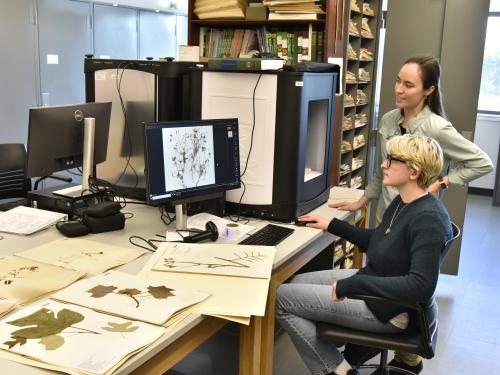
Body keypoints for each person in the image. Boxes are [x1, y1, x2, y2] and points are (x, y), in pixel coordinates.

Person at [330, 56, 493, 372]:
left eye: (409, 84)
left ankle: (398, 358)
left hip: (413, 220)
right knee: (381, 291)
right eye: (397, 81)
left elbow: (482, 162)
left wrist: (442, 182)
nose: (399, 89)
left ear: (428, 90)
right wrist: (362, 202)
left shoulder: (436, 128)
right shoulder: (390, 120)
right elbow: (382, 170)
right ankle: (374, 353)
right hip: (388, 219)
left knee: (398, 294)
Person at [275, 134, 453, 375]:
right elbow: (379, 241)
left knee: (282, 298)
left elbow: (421, 286)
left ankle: (338, 369)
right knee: (297, 282)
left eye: (391, 160)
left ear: (414, 172)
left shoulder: (428, 218)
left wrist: (354, 284)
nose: (383, 165)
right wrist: (331, 225)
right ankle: (340, 350)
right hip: (378, 283)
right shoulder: (405, 202)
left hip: (390, 310)